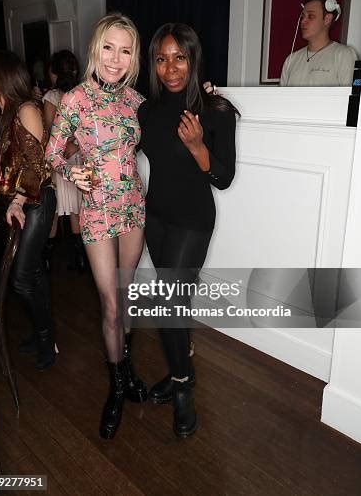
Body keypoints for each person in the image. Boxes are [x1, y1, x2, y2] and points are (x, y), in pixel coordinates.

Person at [45, 14, 147, 439]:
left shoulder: (136, 101)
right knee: (109, 303)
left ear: (132, 57)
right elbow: (51, 154)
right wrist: (73, 171)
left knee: (126, 294)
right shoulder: (74, 100)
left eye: (125, 50)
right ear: (95, 49)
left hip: (133, 207)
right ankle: (117, 386)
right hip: (98, 212)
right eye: (109, 47)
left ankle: (126, 364)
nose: (115, 58)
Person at [138, 23, 238, 437]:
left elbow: (224, 177)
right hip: (156, 217)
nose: (171, 67)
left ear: (194, 59)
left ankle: (182, 387)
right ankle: (183, 363)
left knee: (166, 303)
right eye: (162, 58)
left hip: (193, 219)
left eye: (180, 57)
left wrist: (199, 146)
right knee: (172, 305)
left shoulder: (215, 110)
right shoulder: (146, 111)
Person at [0, 50, 57, 370]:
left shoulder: (26, 109)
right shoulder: (1, 114)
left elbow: (38, 166)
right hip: (18, 202)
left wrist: (18, 200)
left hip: (36, 202)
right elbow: (11, 169)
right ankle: (43, 334)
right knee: (31, 272)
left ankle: (47, 336)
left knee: (22, 277)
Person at [42, 50, 85, 272]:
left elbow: (50, 131)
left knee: (55, 210)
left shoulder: (51, 97)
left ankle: (46, 259)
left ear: (55, 73)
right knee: (78, 208)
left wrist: (64, 146)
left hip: (60, 158)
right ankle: (80, 259)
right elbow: (90, 130)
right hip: (79, 156)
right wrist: (76, 145)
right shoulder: (84, 93)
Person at [280, 0, 357, 86]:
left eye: (311, 16)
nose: (303, 21)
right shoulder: (291, 60)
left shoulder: (344, 55)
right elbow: (281, 99)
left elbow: (351, 96)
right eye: (302, 16)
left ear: (327, 19)